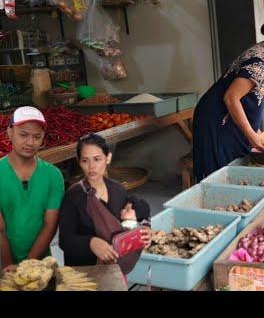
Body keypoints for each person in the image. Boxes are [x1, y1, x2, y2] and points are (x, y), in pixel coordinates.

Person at [192, 15, 264, 181]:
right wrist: (251, 134)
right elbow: (231, 98)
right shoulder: (257, 62)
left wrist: (256, 130)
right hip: (216, 120)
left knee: (232, 170)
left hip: (224, 117)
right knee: (219, 174)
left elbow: (248, 99)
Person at [59, 133, 152, 274]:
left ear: (108, 158)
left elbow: (142, 208)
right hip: (84, 276)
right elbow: (65, 240)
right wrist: (91, 243)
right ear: (79, 161)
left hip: (115, 272)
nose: (91, 167)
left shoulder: (117, 189)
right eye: (85, 161)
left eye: (97, 159)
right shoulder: (74, 195)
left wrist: (145, 229)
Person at [0, 107, 64, 272]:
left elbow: (50, 225)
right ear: (10, 132)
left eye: (37, 137)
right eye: (23, 134)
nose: (30, 142)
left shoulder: (53, 175)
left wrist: (26, 266)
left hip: (39, 263)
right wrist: (8, 267)